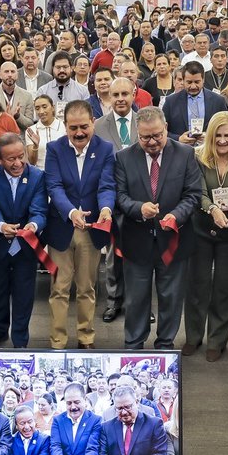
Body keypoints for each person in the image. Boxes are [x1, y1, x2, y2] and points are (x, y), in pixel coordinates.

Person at [114, 106, 203, 350]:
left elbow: (193, 194)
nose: (152, 142)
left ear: (166, 129)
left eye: (157, 136)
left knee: (171, 298)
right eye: (145, 137)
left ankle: (165, 345)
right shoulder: (123, 157)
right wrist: (138, 209)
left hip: (174, 241)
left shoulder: (185, 154)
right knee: (135, 300)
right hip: (136, 239)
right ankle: (133, 345)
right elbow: (119, 197)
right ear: (137, 133)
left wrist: (176, 215)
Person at [42, 99, 116, 349]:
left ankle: (86, 338)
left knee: (87, 287)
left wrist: (106, 209)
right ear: (65, 127)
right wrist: (71, 212)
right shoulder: (54, 149)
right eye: (73, 128)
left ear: (93, 123)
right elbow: (54, 185)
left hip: (92, 228)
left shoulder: (106, 149)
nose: (79, 133)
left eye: (84, 126)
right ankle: (58, 341)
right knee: (59, 289)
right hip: (62, 226)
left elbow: (107, 185)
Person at [183, 110, 228, 362]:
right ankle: (193, 336)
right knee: (196, 285)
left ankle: (217, 340)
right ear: (210, 136)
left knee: (225, 286)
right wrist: (212, 209)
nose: (223, 141)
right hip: (200, 228)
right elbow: (197, 192)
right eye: (218, 136)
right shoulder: (197, 158)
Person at [0, 133, 47, 348]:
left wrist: (33, 226)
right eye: (11, 159)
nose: (18, 163)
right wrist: (1, 226)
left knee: (24, 294)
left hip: (26, 247)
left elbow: (39, 210)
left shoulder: (37, 177)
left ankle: (20, 339)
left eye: (21, 156)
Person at [93, 78, 138, 322]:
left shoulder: (144, 121)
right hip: (110, 198)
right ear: (108, 97)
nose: (120, 98)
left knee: (138, 256)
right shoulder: (98, 126)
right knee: (112, 255)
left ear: (134, 94)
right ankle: (113, 302)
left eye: (125, 94)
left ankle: (138, 302)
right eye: (115, 94)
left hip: (140, 199)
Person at [161, 61, 228, 145]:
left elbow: (226, 128)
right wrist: (178, 138)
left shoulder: (218, 101)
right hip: (181, 151)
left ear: (203, 80)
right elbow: (161, 130)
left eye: (197, 82)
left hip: (210, 151)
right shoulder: (171, 102)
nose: (193, 86)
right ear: (183, 80)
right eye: (189, 82)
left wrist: (210, 137)